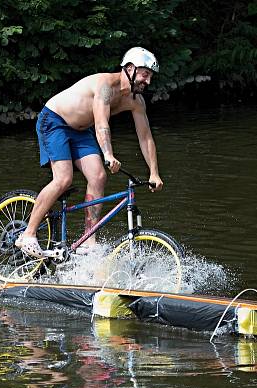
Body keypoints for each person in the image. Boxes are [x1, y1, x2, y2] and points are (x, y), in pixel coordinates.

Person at [16, 47, 164, 258]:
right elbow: (102, 123)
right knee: (63, 178)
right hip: (55, 121)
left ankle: (87, 240)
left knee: (98, 176)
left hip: (81, 130)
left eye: (150, 77)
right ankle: (27, 235)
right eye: (145, 75)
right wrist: (108, 154)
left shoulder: (135, 101)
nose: (148, 82)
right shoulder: (105, 86)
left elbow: (145, 137)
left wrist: (154, 172)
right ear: (130, 69)